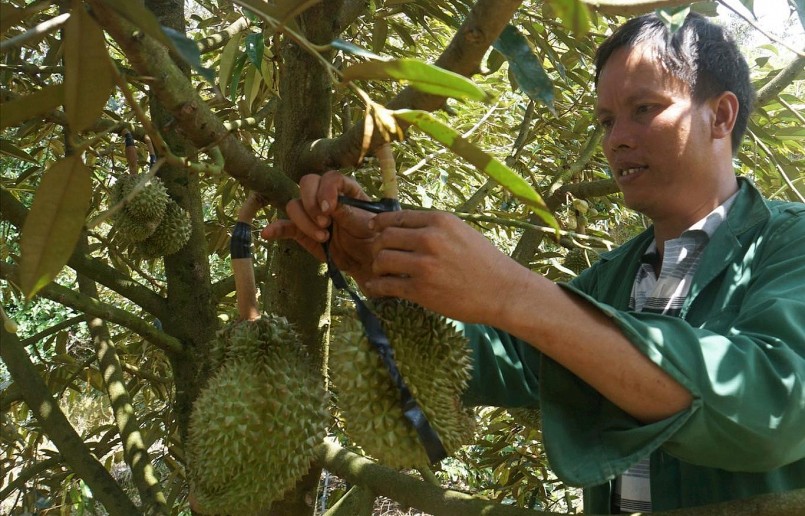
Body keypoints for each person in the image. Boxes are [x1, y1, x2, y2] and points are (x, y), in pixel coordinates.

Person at [261, 12, 805, 513]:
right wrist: (384, 268)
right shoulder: (616, 277)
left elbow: (772, 405)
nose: (617, 140)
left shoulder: (789, 244)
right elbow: (499, 356)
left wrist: (512, 292)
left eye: (644, 109)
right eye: (606, 120)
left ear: (720, 115)